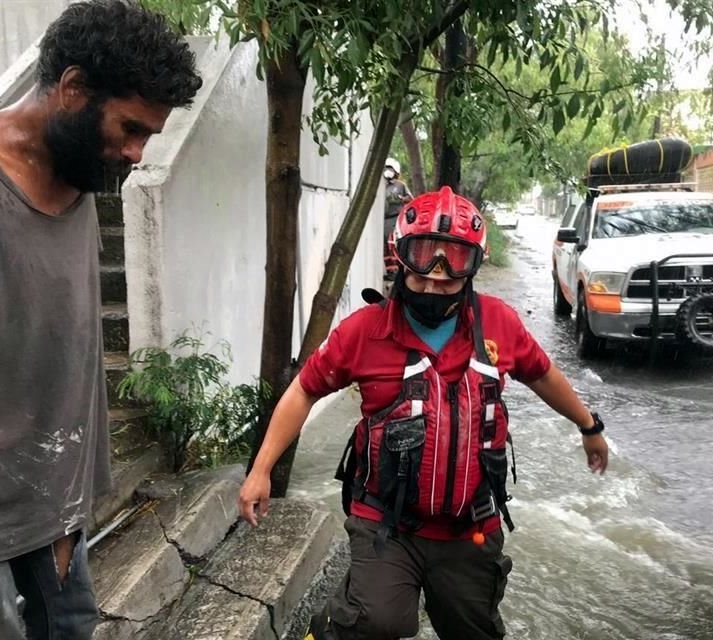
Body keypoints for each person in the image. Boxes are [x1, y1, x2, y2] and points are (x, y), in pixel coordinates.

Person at [0, 2, 202, 638]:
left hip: (57, 495)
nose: (136, 153)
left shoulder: (83, 179)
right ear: (71, 89)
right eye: (130, 128)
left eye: (148, 137)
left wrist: (79, 489)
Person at [238, 186, 610, 639]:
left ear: (472, 269)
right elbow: (303, 392)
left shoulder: (499, 324)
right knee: (378, 621)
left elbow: (544, 375)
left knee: (474, 630)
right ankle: (339, 619)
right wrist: (261, 470)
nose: (435, 282)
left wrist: (589, 426)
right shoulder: (363, 332)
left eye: (449, 276)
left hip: (470, 525)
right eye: (423, 273)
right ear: (400, 261)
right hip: (386, 523)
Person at [382, 158, 413, 279]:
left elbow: (410, 199)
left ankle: (396, 271)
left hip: (394, 218)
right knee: (385, 245)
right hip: (383, 219)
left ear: (396, 171)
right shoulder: (382, 185)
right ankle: (390, 271)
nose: (388, 171)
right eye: (386, 168)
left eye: (391, 169)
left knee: (392, 243)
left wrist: (400, 199)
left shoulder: (400, 186)